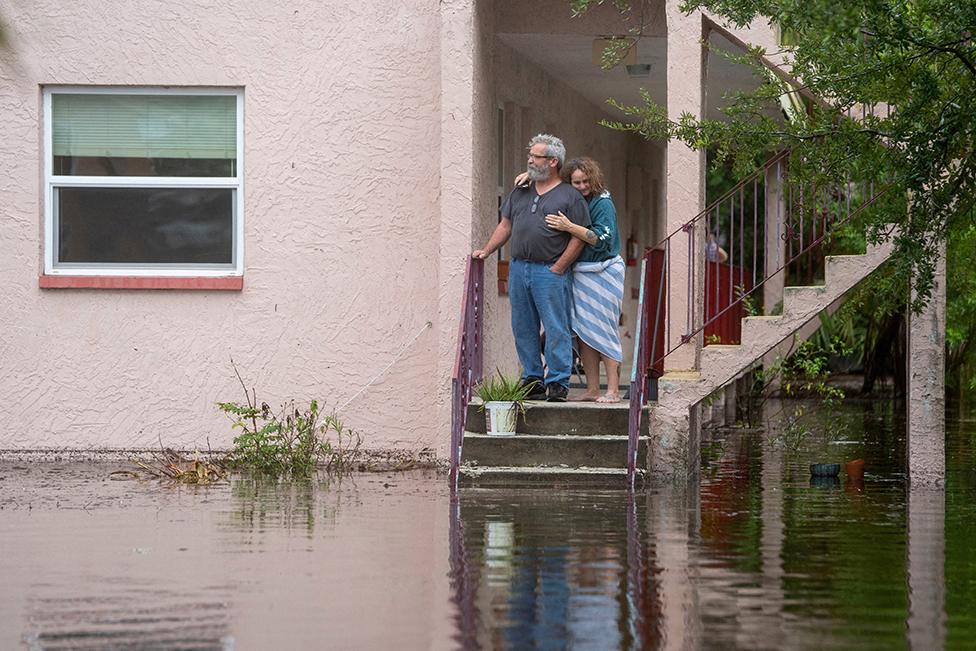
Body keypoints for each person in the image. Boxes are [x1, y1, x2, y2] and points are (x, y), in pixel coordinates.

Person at [473, 134, 591, 402]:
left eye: (535, 156)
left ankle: (558, 381)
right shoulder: (521, 190)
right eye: (530, 155)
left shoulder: (570, 196)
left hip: (549, 270)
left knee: (555, 326)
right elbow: (505, 225)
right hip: (518, 268)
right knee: (523, 326)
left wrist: (560, 266)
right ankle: (533, 378)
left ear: (552, 161)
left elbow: (579, 236)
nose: (529, 160)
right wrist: (487, 250)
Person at [541, 157, 625, 403]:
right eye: (576, 182)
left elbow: (601, 239)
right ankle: (592, 389)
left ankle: (613, 390)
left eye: (586, 181)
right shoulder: (574, 200)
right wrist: (527, 178)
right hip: (581, 273)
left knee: (605, 330)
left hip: (604, 272)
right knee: (585, 331)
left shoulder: (602, 202)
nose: (582, 186)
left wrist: (569, 226)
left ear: (594, 179)